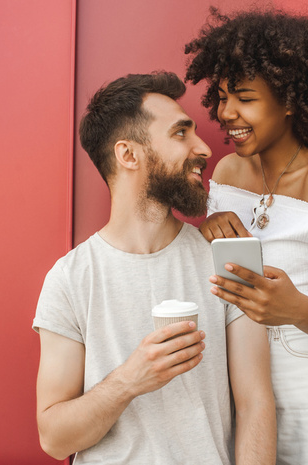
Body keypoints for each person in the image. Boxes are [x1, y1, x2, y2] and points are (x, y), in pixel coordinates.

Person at [32, 71, 276, 464]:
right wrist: (130, 380)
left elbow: (256, 407)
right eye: (181, 134)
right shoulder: (70, 279)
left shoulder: (227, 262)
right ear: (129, 155)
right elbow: (55, 439)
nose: (204, 149)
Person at [185, 9, 308, 465]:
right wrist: (206, 231)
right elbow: (219, 275)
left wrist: (291, 308)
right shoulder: (228, 173)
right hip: (239, 383)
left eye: (244, 98)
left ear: (290, 101)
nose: (226, 114)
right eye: (223, 96)